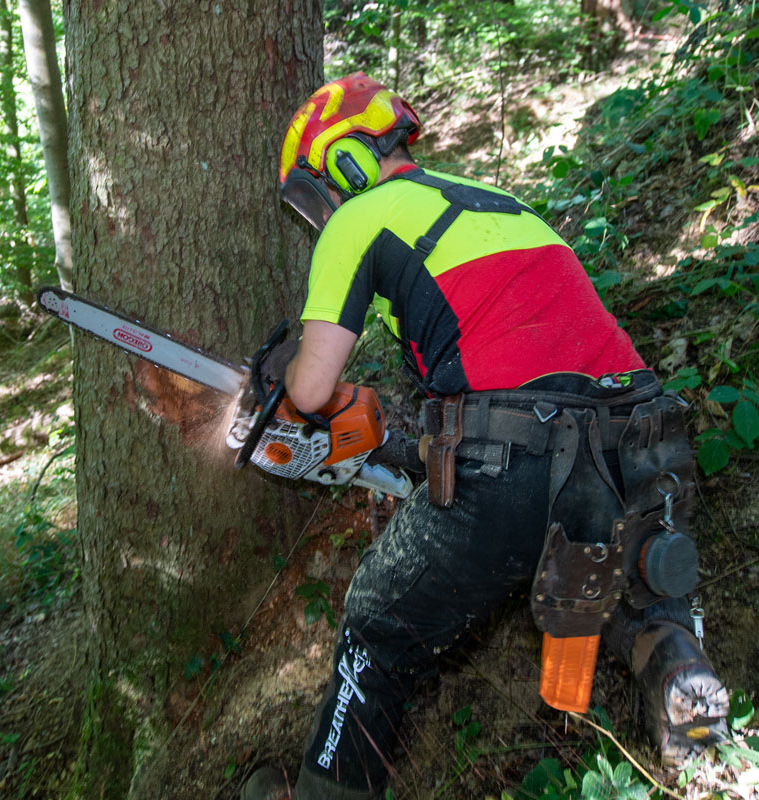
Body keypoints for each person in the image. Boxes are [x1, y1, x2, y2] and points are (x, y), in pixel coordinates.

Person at [241, 73, 730, 800]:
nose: (325, 210)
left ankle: (323, 792)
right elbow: (533, 365)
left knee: (379, 620)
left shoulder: (363, 218)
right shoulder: (503, 205)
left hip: (518, 458)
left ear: (343, 162)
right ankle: (695, 711)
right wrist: (410, 449)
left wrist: (281, 372)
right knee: (640, 597)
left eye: (319, 191)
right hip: (641, 437)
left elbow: (311, 391)